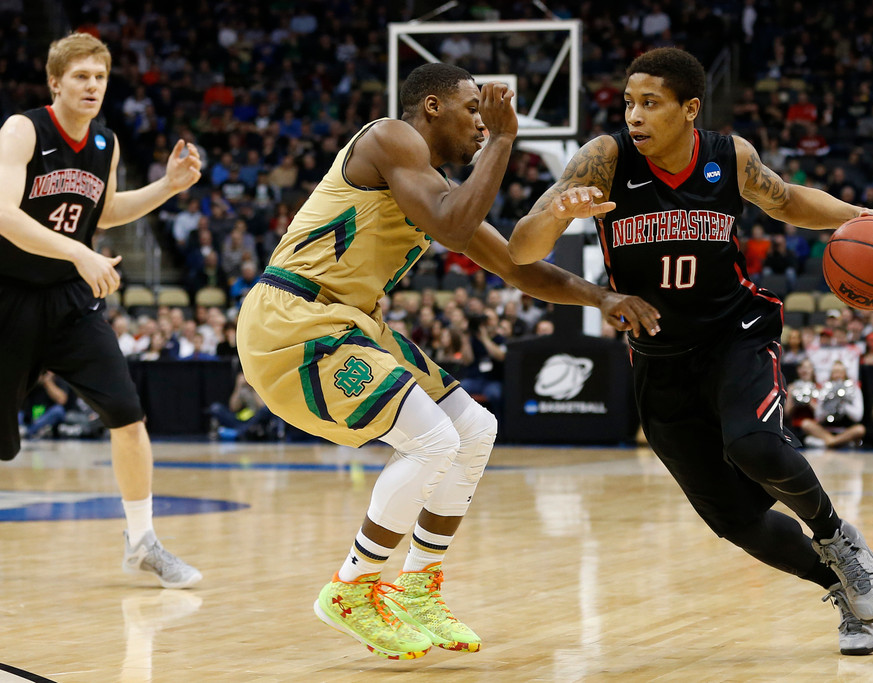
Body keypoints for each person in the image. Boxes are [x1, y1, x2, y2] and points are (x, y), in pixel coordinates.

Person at [236, 63, 659, 660]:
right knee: (432, 440)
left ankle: (415, 587)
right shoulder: (390, 137)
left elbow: (514, 264)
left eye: (486, 116)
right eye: (472, 110)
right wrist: (508, 139)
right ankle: (353, 587)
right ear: (431, 107)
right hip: (294, 320)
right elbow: (457, 227)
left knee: (475, 428)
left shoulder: (427, 183)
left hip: (350, 322)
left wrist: (601, 296)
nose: (483, 125)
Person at [508, 47, 873, 656]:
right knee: (735, 521)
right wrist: (560, 212)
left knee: (752, 445)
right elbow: (520, 249)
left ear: (690, 108)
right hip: (659, 356)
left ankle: (835, 537)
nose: (634, 116)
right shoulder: (603, 158)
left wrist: (858, 215)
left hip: (735, 330)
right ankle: (844, 589)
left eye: (651, 103)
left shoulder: (729, 155)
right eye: (628, 103)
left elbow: (786, 200)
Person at [0, 33, 202, 588]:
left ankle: (143, 542)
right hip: (9, 295)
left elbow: (104, 212)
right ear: (55, 82)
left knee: (128, 416)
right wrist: (80, 252)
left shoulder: (106, 143)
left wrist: (167, 185)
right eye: (82, 77)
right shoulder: (23, 129)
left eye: (101, 77)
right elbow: (2, 214)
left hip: (69, 301)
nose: (93, 87)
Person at [799, 361, 867, 449]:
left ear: (845, 374)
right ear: (831, 374)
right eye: (835, 372)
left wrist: (843, 403)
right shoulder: (825, 388)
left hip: (845, 431)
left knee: (860, 429)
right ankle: (834, 441)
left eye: (840, 372)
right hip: (826, 430)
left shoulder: (854, 389)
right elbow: (818, 416)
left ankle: (831, 442)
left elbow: (858, 416)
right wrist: (830, 405)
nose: (837, 375)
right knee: (806, 424)